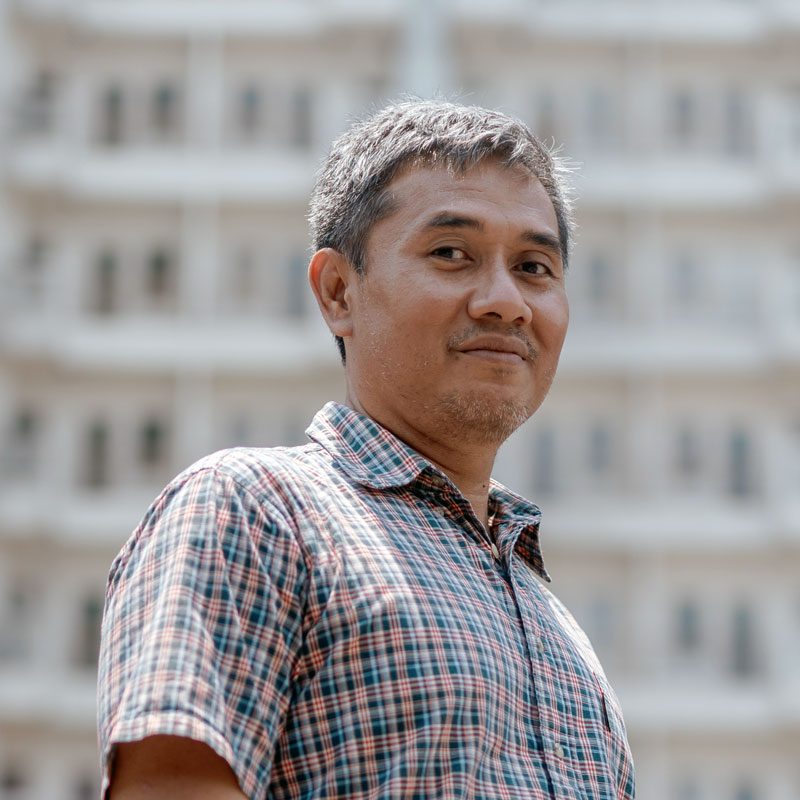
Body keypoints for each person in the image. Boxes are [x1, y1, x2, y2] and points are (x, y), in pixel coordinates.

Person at [98, 99, 636, 799]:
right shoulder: (256, 511)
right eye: (451, 254)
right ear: (338, 292)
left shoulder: (555, 623)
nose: (507, 301)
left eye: (535, 267)